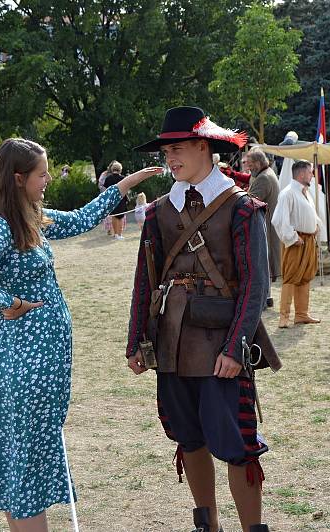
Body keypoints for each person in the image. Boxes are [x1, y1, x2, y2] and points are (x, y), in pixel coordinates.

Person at [0, 138, 162, 531]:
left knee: (23, 465)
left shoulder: (31, 214)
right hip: (27, 367)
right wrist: (8, 301)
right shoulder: (1, 226)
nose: (48, 178)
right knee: (27, 466)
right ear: (18, 178)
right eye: (41, 173)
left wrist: (123, 186)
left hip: (37, 363)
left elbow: (82, 219)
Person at [126, 106, 280, 532]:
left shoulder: (243, 207)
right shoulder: (159, 212)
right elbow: (145, 279)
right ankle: (206, 525)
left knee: (236, 445)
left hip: (220, 345)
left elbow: (254, 285)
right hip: (171, 343)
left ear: (204, 147)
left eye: (177, 148)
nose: (169, 157)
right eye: (166, 150)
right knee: (189, 438)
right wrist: (136, 340)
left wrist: (235, 349)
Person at [271, 160, 321, 328]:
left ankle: (301, 314)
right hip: (296, 241)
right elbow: (278, 220)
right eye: (310, 172)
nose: (312, 175)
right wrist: (292, 237)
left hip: (308, 240)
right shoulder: (288, 193)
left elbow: (310, 214)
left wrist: (315, 227)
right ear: (301, 174)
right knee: (291, 277)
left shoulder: (305, 192)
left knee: (305, 276)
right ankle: (284, 317)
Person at [245, 149, 281, 307]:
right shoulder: (264, 174)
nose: (249, 168)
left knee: (262, 263)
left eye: (251, 165)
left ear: (259, 163)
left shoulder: (264, 178)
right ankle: (267, 297)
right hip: (266, 225)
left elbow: (249, 202)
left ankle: (265, 298)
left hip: (264, 227)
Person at [103, 161, 128, 240]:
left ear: (112, 169)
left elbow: (106, 189)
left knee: (114, 216)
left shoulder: (108, 178)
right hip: (121, 199)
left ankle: (115, 234)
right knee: (120, 217)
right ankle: (119, 234)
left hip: (112, 199)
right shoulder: (123, 178)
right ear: (120, 169)